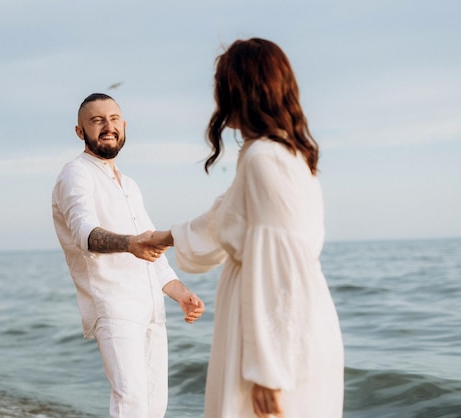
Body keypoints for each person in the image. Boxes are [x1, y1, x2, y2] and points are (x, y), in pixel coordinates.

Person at [146, 38, 344, 417]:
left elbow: (279, 265)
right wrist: (165, 237)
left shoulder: (264, 159)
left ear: (241, 90)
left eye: (222, 85)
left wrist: (268, 369)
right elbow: (223, 221)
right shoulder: (284, 153)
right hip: (283, 326)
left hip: (278, 339)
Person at [51, 93, 205, 418]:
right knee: (130, 404)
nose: (108, 127)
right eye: (97, 121)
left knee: (154, 407)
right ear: (80, 131)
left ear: (124, 126)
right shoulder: (75, 174)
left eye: (114, 119)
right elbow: (85, 234)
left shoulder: (130, 184)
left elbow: (152, 249)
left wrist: (180, 292)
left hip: (151, 308)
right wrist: (129, 244)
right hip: (113, 305)